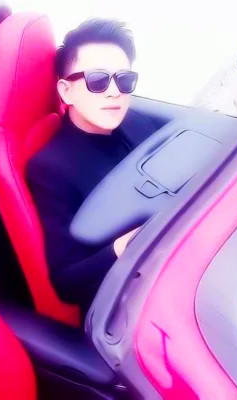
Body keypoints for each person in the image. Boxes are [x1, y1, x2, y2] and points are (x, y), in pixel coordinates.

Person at [26, 18, 156, 316]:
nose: (114, 92)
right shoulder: (51, 169)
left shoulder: (136, 123)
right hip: (127, 298)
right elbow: (66, 282)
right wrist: (127, 246)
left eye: (124, 79)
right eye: (98, 80)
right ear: (66, 91)